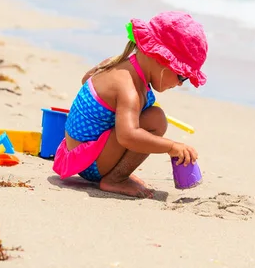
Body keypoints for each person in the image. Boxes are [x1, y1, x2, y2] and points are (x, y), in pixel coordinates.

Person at [52, 11, 208, 198]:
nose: (181, 83)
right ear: (161, 59)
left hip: (72, 151)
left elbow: (86, 79)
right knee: (156, 121)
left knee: (150, 115)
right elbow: (127, 137)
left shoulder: (116, 63)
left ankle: (115, 170)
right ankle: (115, 178)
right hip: (89, 164)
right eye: (182, 75)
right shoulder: (129, 89)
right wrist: (171, 147)